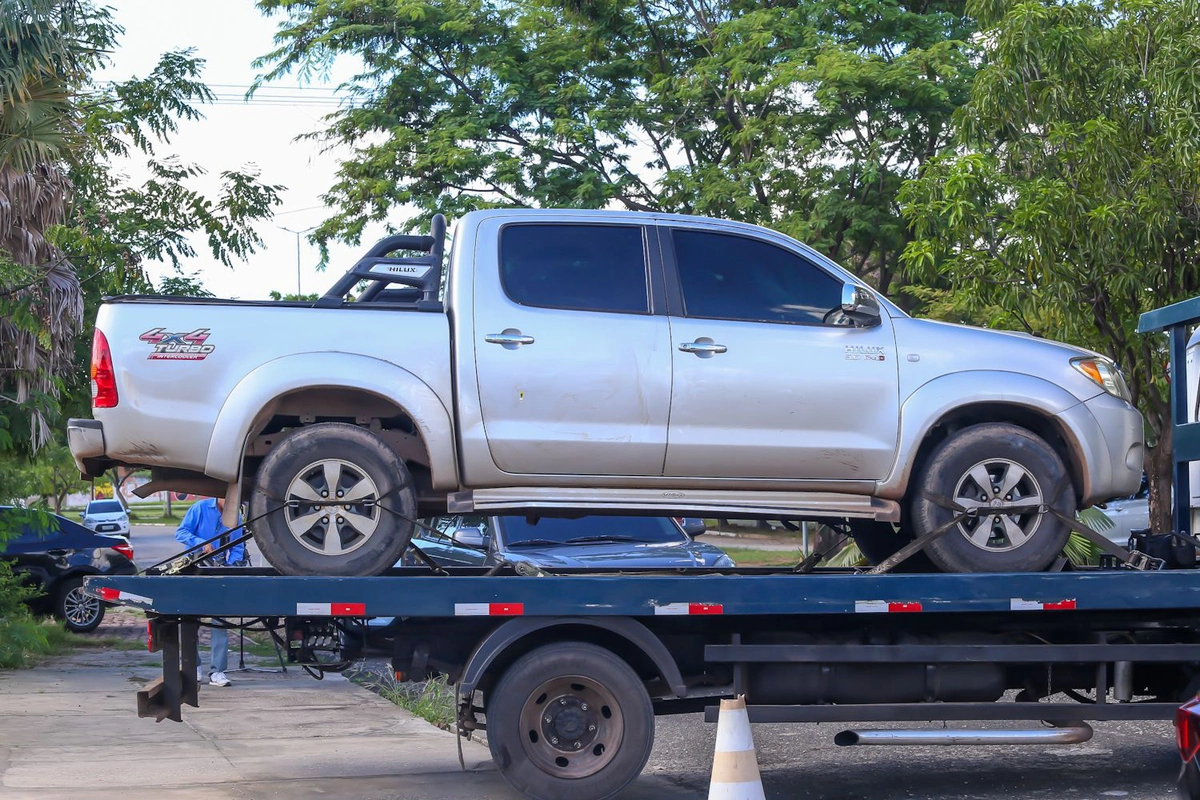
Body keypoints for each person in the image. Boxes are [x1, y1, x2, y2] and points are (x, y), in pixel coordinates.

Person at [174, 495, 245, 687]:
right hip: (194, 571)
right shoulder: (200, 508)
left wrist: (230, 567)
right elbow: (180, 532)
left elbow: (238, 546)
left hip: (218, 573)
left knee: (219, 622)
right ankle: (193, 666)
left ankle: (218, 671)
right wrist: (200, 542)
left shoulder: (235, 516)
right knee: (190, 621)